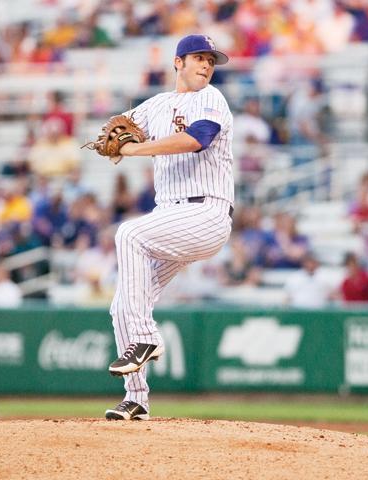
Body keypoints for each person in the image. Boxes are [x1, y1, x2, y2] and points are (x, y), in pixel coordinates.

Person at [102, 34, 234, 421]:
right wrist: (113, 133)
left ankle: (145, 337)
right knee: (122, 306)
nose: (206, 65)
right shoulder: (157, 105)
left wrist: (135, 149)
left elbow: (198, 138)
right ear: (178, 62)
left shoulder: (211, 98)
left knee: (128, 234)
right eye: (198, 58)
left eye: (210, 60)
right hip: (170, 218)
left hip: (206, 213)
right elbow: (118, 128)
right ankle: (136, 398)